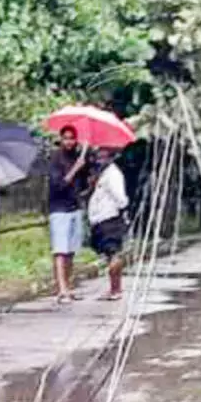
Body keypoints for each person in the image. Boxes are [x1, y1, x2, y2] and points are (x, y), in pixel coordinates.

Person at [48, 126, 88, 303]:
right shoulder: (55, 158)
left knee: (71, 251)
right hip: (59, 210)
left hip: (74, 207)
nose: (69, 142)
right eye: (66, 138)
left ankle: (68, 287)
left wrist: (84, 170)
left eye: (72, 138)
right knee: (60, 251)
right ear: (61, 139)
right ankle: (61, 289)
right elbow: (58, 185)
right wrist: (75, 169)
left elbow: (83, 185)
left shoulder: (78, 157)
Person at [87, 147, 128, 301]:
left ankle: (116, 289)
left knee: (113, 253)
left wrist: (121, 208)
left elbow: (120, 198)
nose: (100, 160)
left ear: (111, 158)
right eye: (98, 157)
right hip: (101, 218)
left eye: (104, 157)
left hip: (110, 218)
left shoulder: (113, 174)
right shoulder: (103, 174)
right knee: (109, 254)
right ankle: (114, 288)